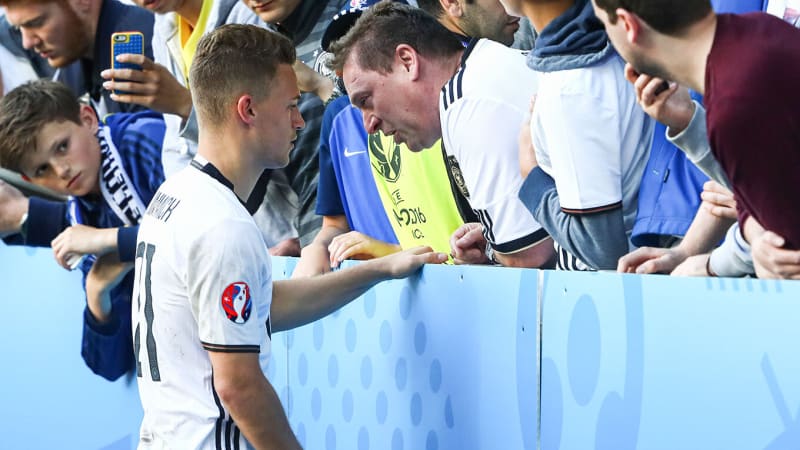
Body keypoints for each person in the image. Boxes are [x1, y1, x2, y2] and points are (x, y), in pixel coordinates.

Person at [132, 24, 445, 448]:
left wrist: (382, 269)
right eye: (291, 105)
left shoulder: (177, 196)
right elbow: (238, 386)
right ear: (248, 110)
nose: (300, 121)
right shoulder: (222, 224)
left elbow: (264, 308)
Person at [330, 2, 554, 268]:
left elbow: (527, 256)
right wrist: (492, 242)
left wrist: (497, 252)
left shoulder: (469, 101)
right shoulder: (481, 73)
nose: (369, 126)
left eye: (366, 99)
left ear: (407, 61)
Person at [591, 0, 800, 279]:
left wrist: (716, 261)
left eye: (604, 25)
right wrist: (688, 124)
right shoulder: (762, 30)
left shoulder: (735, 104)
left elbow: (784, 258)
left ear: (628, 25)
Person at [0, 80, 166, 381]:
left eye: (62, 147)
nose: (61, 171)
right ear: (30, 181)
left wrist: (110, 239)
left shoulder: (141, 138)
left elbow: (200, 234)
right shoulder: (82, 216)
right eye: (41, 170)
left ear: (88, 119)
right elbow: (108, 367)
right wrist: (96, 292)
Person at [497, 0, 653, 271]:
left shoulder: (570, 86)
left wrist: (532, 177)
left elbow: (603, 250)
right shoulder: (605, 44)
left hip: (619, 292)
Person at [0, 0, 154, 117]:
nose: (27, 42)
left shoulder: (140, 48)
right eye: (17, 28)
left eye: (36, 23)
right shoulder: (72, 58)